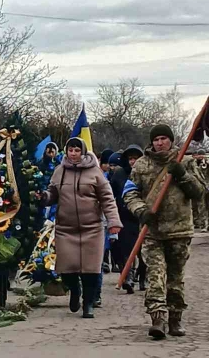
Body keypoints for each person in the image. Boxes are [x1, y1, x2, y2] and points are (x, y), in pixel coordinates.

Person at [124, 124, 204, 339]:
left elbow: (199, 192)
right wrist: (141, 211)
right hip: (152, 232)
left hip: (179, 231)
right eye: (156, 139)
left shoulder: (185, 162)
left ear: (171, 140)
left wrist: (183, 176)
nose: (160, 143)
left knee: (175, 278)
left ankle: (175, 318)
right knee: (155, 275)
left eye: (163, 139)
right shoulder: (141, 164)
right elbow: (129, 193)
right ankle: (158, 317)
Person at [42, 137, 121, 319]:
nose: (74, 153)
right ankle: (75, 291)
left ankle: (88, 304)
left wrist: (113, 222)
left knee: (90, 269)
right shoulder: (59, 171)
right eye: (71, 150)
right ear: (67, 151)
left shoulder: (95, 172)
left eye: (77, 150)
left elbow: (107, 199)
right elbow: (52, 193)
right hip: (65, 228)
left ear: (83, 152)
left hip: (92, 228)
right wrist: (43, 197)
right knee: (67, 268)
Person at [110, 145, 144, 292]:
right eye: (130, 158)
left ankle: (143, 277)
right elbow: (111, 194)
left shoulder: (145, 173)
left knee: (143, 250)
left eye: (136, 158)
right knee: (126, 248)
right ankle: (128, 277)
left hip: (143, 216)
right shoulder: (119, 174)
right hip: (125, 216)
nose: (133, 162)